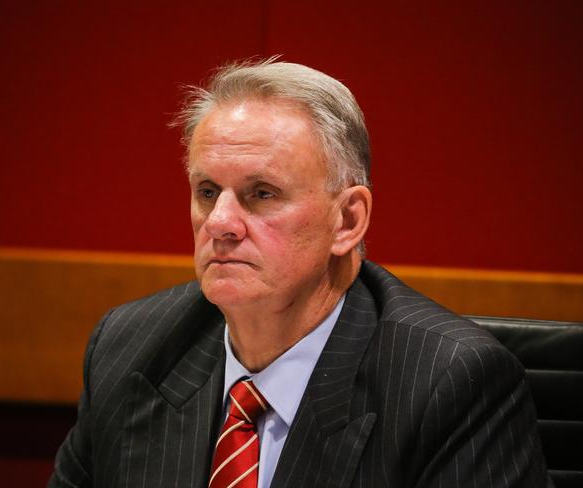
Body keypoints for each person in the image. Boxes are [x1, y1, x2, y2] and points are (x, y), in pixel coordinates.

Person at [49, 59, 551, 488]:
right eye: (207, 191)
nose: (220, 222)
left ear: (348, 220)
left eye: (261, 193)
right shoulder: (129, 349)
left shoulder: (450, 384)